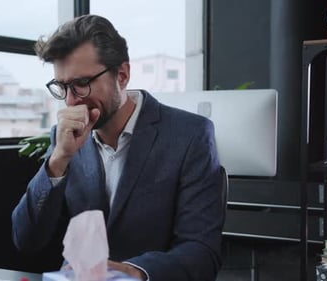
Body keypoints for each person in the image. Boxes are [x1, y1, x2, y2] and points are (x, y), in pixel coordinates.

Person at [12, 14, 224, 281]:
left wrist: (134, 271)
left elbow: (202, 252)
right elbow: (26, 239)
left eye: (81, 84)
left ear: (122, 75)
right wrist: (59, 160)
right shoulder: (63, 139)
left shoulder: (190, 135)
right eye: (62, 87)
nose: (70, 101)